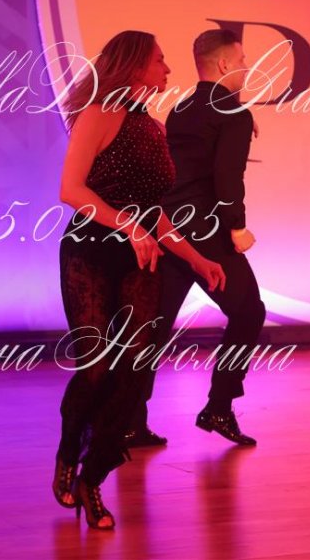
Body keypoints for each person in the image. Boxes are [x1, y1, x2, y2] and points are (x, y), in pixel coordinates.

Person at [53, 30, 226, 530]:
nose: (167, 69)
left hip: (140, 259)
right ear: (134, 66)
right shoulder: (97, 114)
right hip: (90, 252)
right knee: (96, 370)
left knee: (132, 373)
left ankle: (93, 477)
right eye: (160, 60)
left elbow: (156, 214)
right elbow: (71, 190)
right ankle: (68, 451)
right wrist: (128, 226)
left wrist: (196, 258)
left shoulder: (153, 127)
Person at [126, 29, 266, 448]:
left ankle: (130, 421)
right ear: (223, 64)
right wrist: (237, 227)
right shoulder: (234, 113)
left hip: (169, 229)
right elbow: (227, 178)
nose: (246, 68)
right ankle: (219, 405)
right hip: (207, 232)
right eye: (242, 61)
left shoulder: (182, 108)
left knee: (155, 327)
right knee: (248, 312)